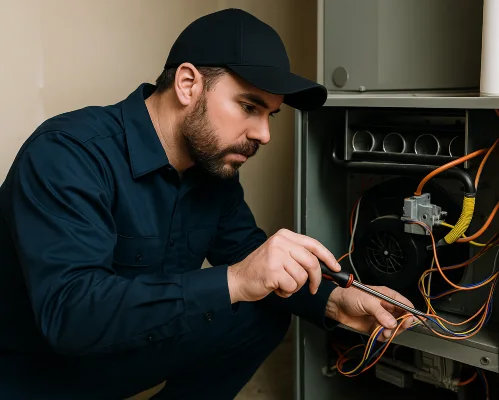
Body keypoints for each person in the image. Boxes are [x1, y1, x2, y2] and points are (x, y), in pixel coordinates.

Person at [0, 8, 414, 399]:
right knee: (241, 292)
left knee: (263, 313)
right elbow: (69, 316)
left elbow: (248, 254)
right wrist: (234, 281)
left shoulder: (212, 167)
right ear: (187, 84)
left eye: (271, 115)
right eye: (249, 107)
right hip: (39, 372)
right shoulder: (67, 153)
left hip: (123, 355)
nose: (263, 134)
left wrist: (336, 301)